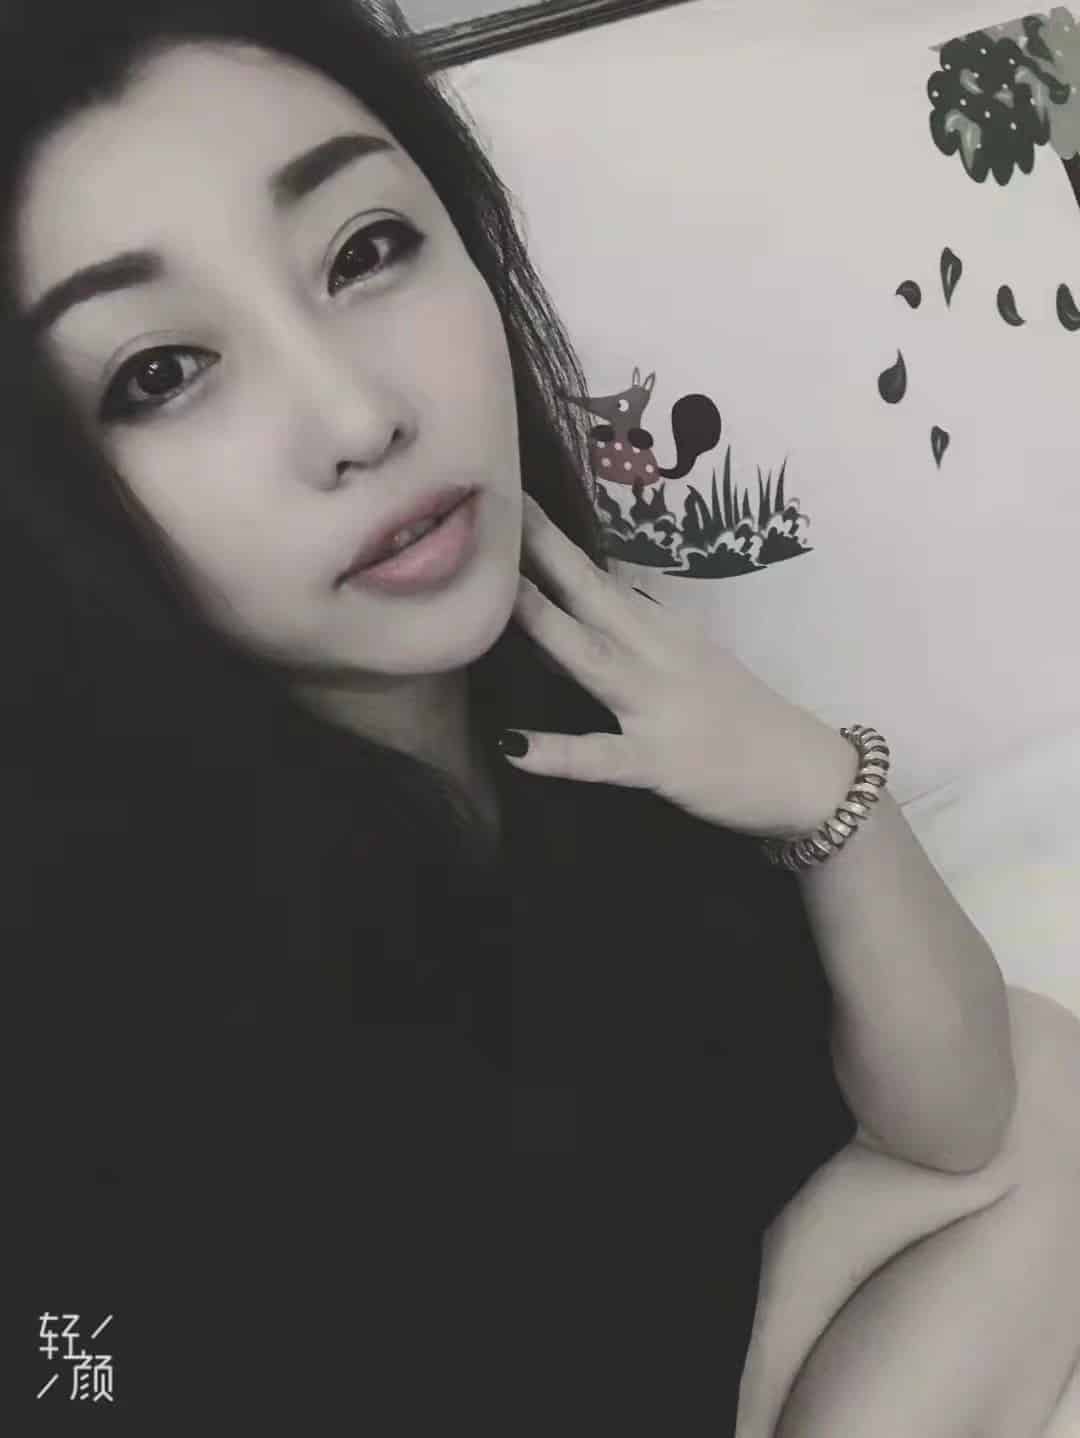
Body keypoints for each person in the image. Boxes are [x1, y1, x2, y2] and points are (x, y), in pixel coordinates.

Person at [4, 1, 1080, 1432]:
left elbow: (963, 1114)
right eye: (161, 373)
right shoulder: (105, 982)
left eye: (364, 250)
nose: (357, 416)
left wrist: (825, 796)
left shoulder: (592, 714)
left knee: (1048, 1077)